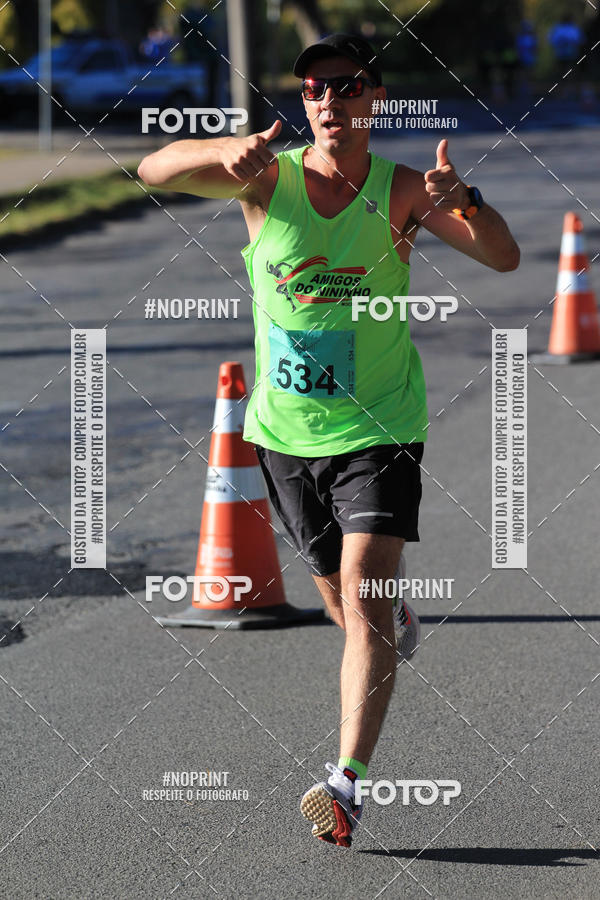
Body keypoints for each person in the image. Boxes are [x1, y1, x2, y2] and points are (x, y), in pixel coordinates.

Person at [138, 33, 520, 848]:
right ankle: (384, 618)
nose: (328, 101)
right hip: (282, 433)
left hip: (381, 426)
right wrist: (224, 148)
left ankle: (346, 784)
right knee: (341, 603)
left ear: (375, 97)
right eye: (313, 89)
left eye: (345, 86)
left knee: (365, 588)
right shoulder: (265, 181)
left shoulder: (408, 189)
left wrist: (466, 201)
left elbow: (505, 259)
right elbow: (150, 170)